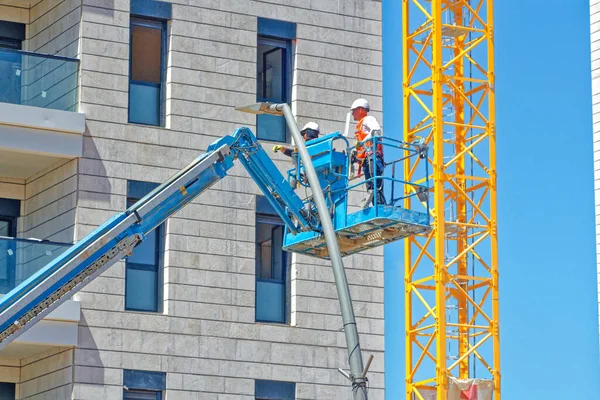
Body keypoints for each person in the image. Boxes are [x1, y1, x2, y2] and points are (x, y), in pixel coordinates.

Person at [350, 98, 385, 208]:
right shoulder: (361, 125)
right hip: (367, 159)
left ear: (361, 110)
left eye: (354, 110)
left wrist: (362, 142)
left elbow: (376, 131)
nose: (352, 114)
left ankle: (379, 206)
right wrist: (356, 158)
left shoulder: (368, 119)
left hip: (373, 157)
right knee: (371, 185)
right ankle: (376, 206)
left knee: (375, 185)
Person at [272, 122, 320, 186]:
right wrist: (282, 148)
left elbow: (295, 153)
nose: (303, 137)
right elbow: (295, 153)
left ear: (309, 133)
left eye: (304, 134)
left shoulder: (312, 146)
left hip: (314, 171)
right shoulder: (312, 145)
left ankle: (296, 179)